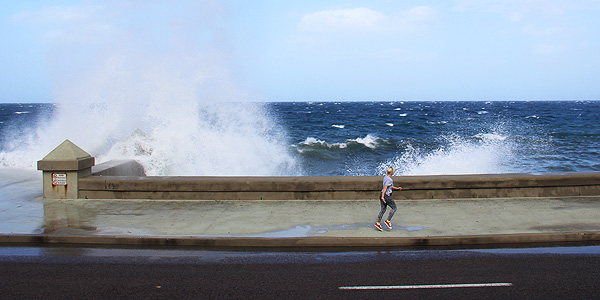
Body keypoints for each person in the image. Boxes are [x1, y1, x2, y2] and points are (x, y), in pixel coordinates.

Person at [375, 166, 402, 231]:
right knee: (394, 208)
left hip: (382, 194)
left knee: (383, 209)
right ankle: (388, 221)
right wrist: (383, 197)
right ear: (391, 172)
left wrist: (397, 188)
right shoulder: (389, 179)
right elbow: (385, 188)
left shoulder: (386, 177)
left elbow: (390, 186)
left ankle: (378, 223)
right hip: (386, 196)